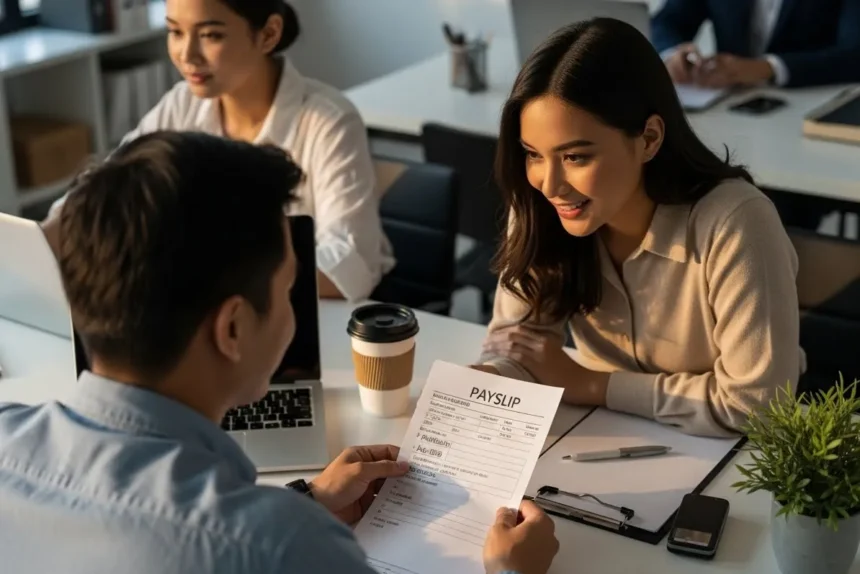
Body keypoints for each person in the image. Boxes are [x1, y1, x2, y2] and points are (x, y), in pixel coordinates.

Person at [0, 132, 558, 574]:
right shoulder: (285, 547)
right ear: (234, 328)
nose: (294, 317)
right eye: (291, 290)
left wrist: (306, 500)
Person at [474, 19, 804, 438]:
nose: (550, 184)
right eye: (533, 154)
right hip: (600, 436)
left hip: (728, 452)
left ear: (649, 138)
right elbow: (521, 349)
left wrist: (592, 385)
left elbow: (756, 406)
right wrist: (483, 384)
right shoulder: (542, 204)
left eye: (575, 157)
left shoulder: (737, 223)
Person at [42, 0, 393, 302]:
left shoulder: (328, 121)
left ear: (269, 34)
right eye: (175, 32)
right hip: (212, 321)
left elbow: (350, 261)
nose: (186, 55)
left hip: (310, 320)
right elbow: (108, 187)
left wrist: (213, 282)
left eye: (210, 35)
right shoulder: (182, 105)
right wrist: (47, 235)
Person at [653, 0, 860, 88]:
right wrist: (673, 53)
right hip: (726, 104)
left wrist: (768, 68)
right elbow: (667, 20)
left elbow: (854, 54)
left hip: (809, 103)